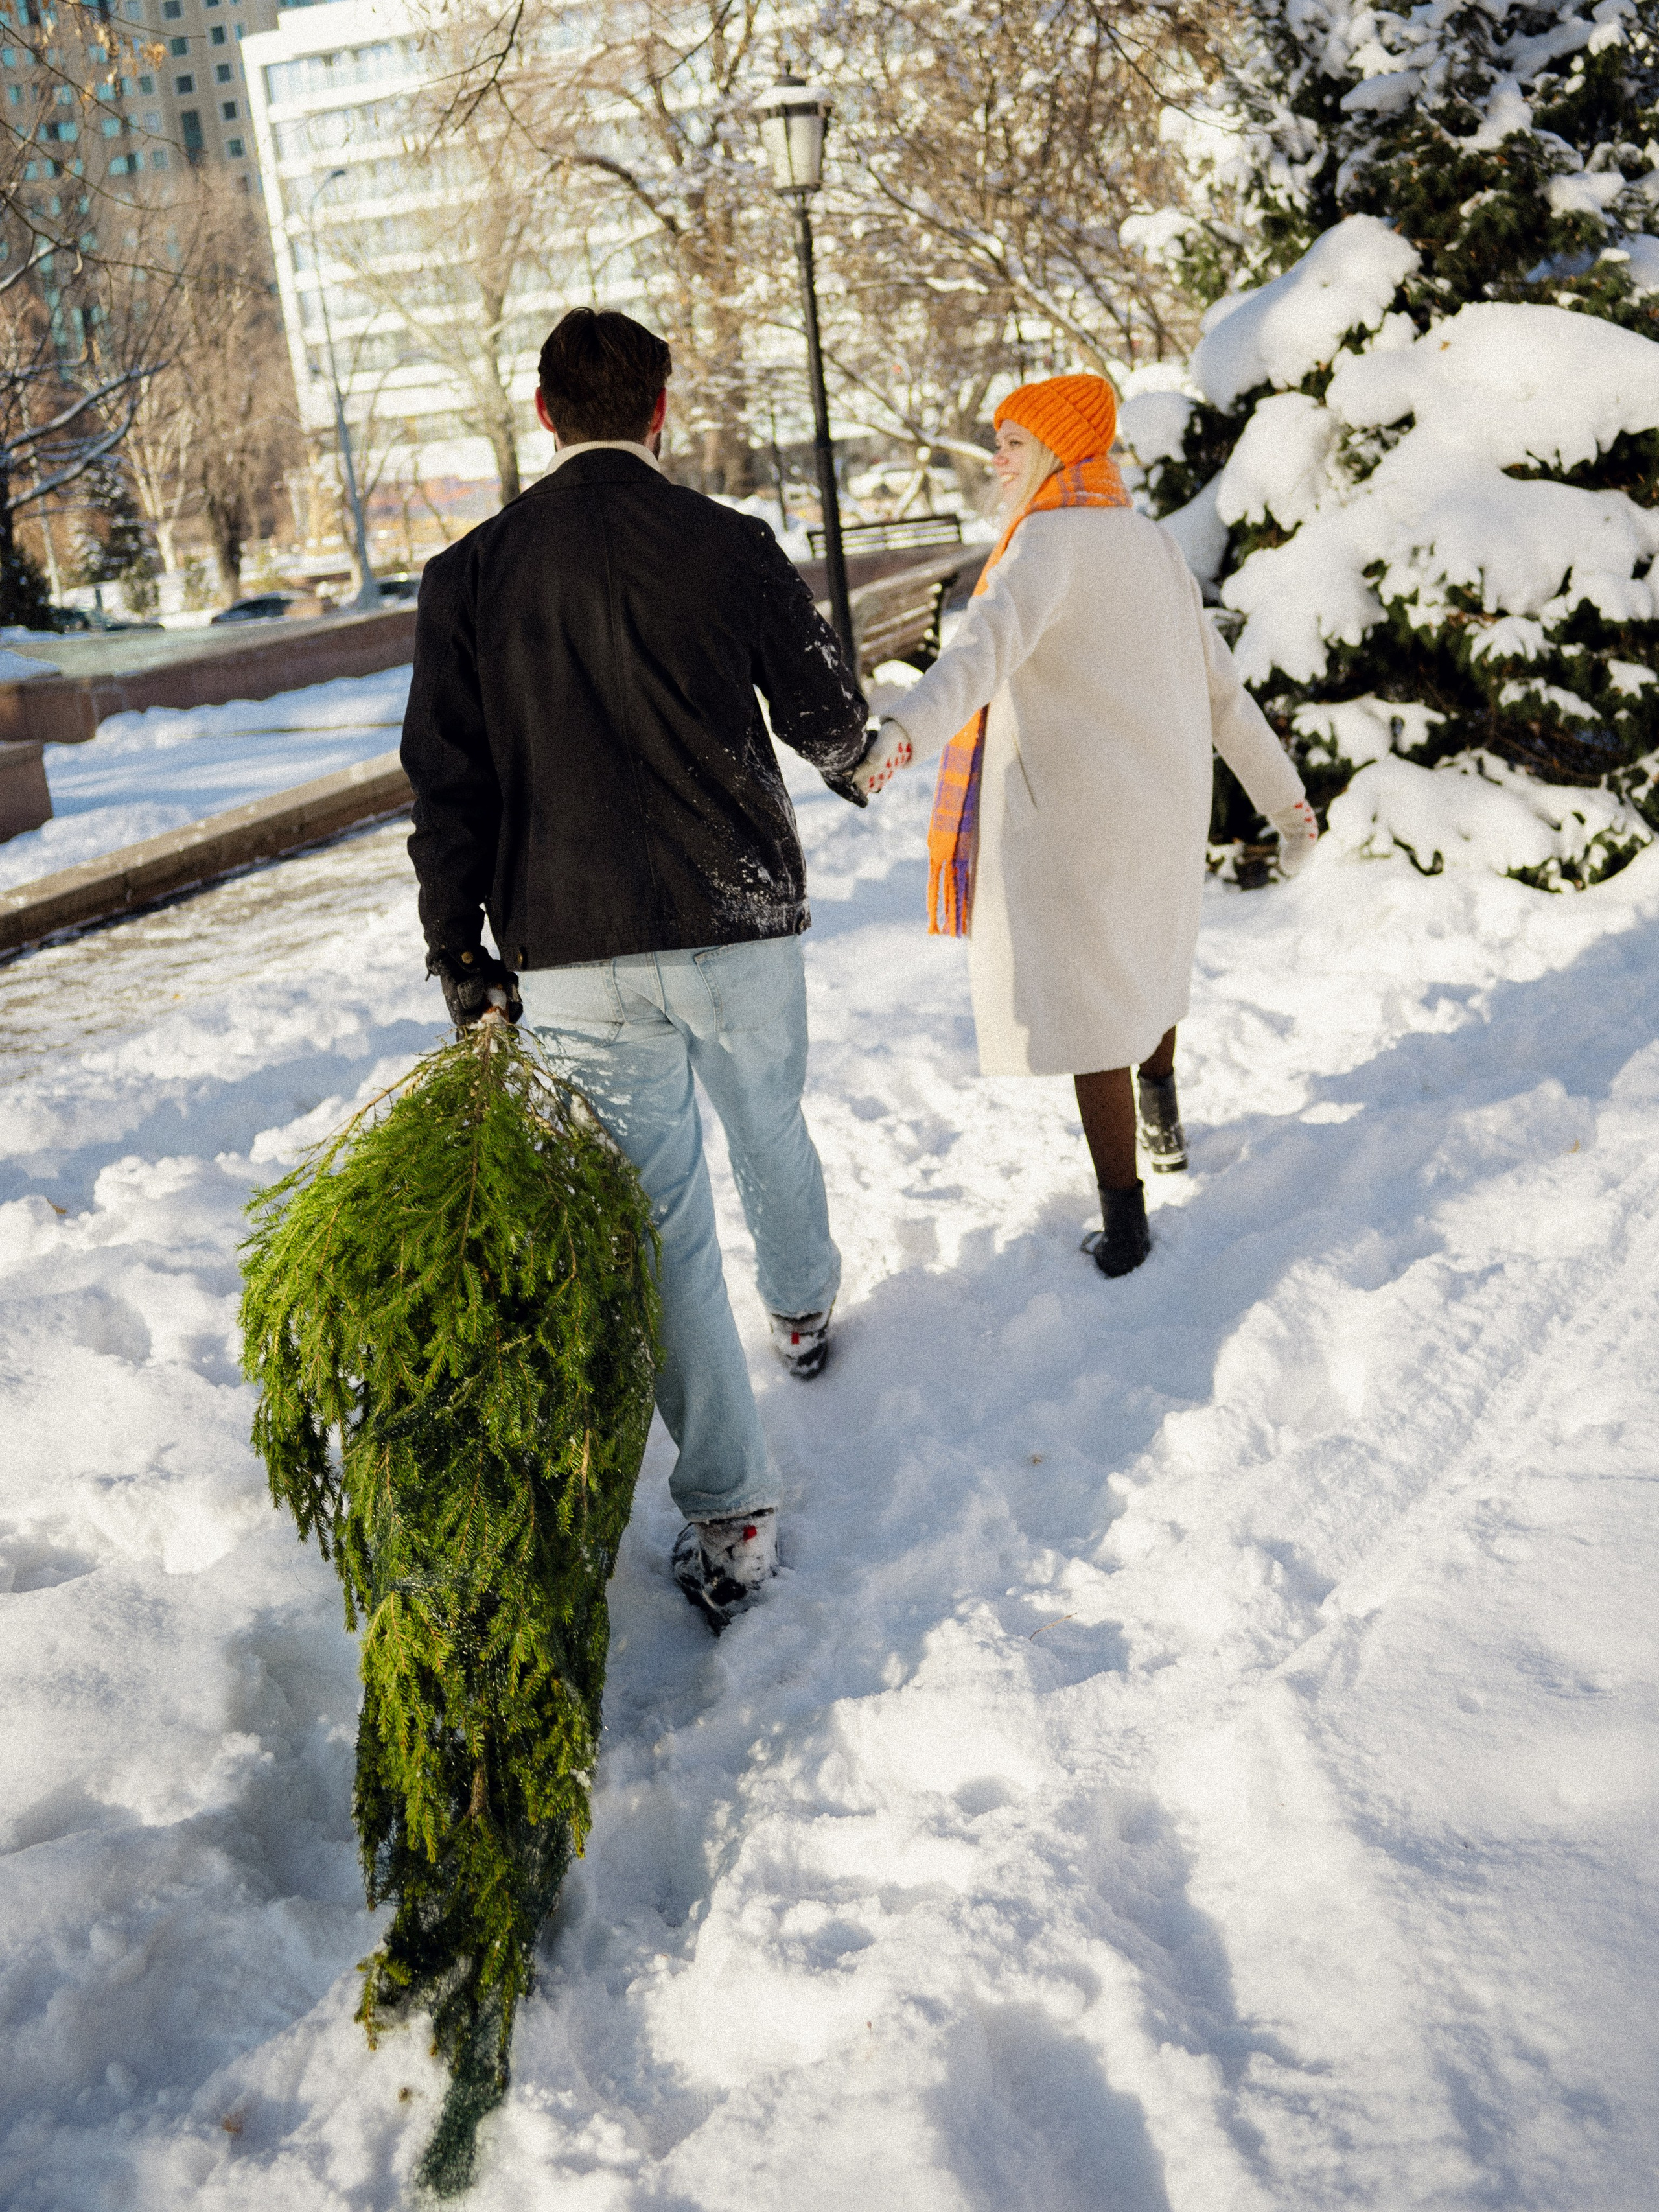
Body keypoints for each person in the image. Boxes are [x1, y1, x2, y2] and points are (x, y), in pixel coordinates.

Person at [400, 307, 872, 1628]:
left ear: (543, 413)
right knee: (766, 1118)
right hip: (736, 914)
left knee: (658, 1224)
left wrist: (462, 959)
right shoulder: (733, 548)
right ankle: (800, 1308)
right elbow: (832, 720)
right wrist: (867, 757)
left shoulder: (471, 575)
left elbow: (447, 787)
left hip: (570, 946)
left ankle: (729, 1513)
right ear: (659, 410)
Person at [854, 372, 1318, 1276]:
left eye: (1013, 443)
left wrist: (901, 735)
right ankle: (1166, 1129)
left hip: (1073, 824)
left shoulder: (1044, 546)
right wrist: (1289, 806)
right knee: (1147, 970)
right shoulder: (1150, 545)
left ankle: (1127, 1226)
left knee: (1093, 1014)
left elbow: (974, 660)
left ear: (1059, 448)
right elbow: (1226, 696)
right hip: (1164, 812)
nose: (998, 461)